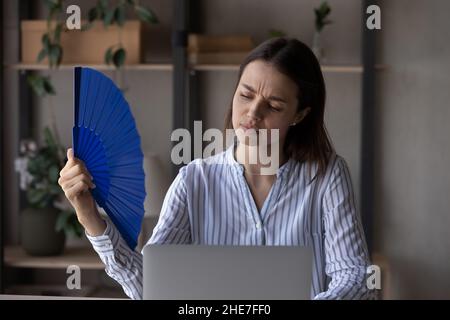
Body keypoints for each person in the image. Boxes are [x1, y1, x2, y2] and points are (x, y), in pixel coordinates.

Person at [58, 37, 376, 300]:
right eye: (245, 95)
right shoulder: (195, 180)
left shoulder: (327, 174)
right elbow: (152, 288)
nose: (252, 113)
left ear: (300, 114)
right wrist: (88, 213)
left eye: (274, 106)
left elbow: (355, 278)